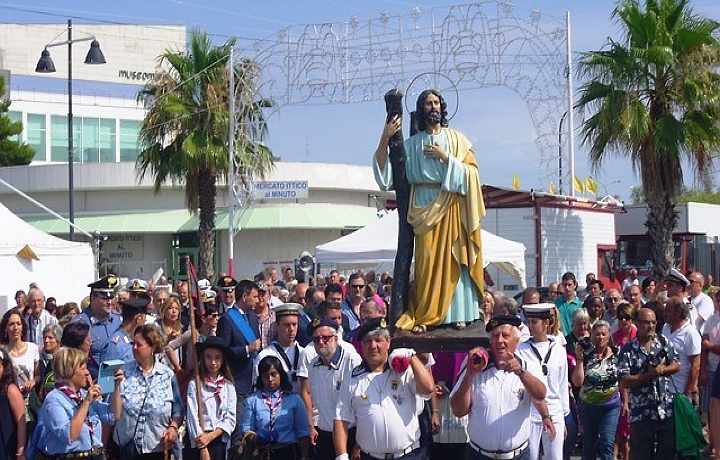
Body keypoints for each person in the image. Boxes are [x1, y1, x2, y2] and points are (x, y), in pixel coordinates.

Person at [374, 89, 485, 332]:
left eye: (436, 102)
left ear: (442, 107)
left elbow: (474, 174)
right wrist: (385, 137)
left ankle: (459, 313)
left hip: (453, 205)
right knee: (426, 262)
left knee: (457, 257)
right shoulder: (411, 145)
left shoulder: (458, 140)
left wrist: (447, 158)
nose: (433, 107)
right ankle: (427, 313)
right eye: (428, 103)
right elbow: (386, 178)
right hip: (423, 205)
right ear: (421, 110)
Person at [334, 318, 434, 460]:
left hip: (408, 455)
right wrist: (341, 456)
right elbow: (340, 419)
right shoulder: (352, 378)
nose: (373, 346)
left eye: (378, 340)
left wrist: (411, 357)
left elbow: (428, 388)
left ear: (388, 342)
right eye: (368, 341)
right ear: (361, 346)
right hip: (371, 456)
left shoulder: (404, 371)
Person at [450, 315, 546, 459]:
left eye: (505, 335)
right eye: (495, 336)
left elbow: (541, 394)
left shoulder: (528, 362)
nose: (499, 340)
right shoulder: (475, 363)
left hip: (518, 455)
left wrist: (520, 372)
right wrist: (470, 374)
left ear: (516, 340)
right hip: (480, 455)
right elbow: (458, 410)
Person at [33, 347, 123, 460]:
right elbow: (69, 435)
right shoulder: (54, 400)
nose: (87, 372)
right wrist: (86, 403)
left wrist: (116, 387)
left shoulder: (84, 394)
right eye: (83, 368)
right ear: (69, 371)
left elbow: (114, 415)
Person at [617, 308, 680, 460]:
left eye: (653, 322)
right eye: (646, 322)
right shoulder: (628, 350)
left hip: (665, 410)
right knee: (641, 454)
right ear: (638, 324)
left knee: (666, 453)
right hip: (642, 413)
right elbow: (624, 380)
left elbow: (677, 364)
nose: (651, 326)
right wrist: (647, 375)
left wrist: (662, 369)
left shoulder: (663, 342)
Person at [113, 324, 183, 459]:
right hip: (127, 449)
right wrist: (116, 386)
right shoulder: (123, 372)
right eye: (133, 343)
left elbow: (177, 409)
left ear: (152, 348)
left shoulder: (167, 375)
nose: (134, 348)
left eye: (139, 345)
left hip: (157, 448)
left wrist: (173, 428)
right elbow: (115, 414)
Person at [298, 318, 362, 460]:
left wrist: (359, 443)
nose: (320, 342)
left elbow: (362, 403)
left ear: (336, 338)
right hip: (324, 434)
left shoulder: (352, 361)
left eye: (325, 338)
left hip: (351, 434)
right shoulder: (313, 365)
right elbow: (307, 393)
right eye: (316, 339)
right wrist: (310, 425)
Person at [516, 304, 568, 460]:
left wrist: (563, 418)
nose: (530, 326)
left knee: (555, 457)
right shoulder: (521, 349)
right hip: (530, 413)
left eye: (535, 322)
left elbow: (562, 385)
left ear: (546, 323)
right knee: (530, 456)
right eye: (529, 322)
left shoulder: (559, 349)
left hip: (554, 411)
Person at [216, 279, 261, 455]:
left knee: (253, 432)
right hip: (237, 382)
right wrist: (245, 349)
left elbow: (258, 345)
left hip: (254, 381)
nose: (257, 300)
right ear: (244, 296)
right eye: (254, 296)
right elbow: (224, 352)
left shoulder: (252, 317)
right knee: (239, 433)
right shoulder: (227, 319)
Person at [240, 356, 310, 460]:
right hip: (261, 452)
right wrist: (255, 437)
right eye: (265, 376)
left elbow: (303, 432)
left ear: (280, 375)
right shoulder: (252, 400)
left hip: (288, 452)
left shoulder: (294, 400)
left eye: (273, 374)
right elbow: (246, 429)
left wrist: (304, 456)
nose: (270, 379)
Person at [571, 320, 620, 460]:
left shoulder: (617, 353)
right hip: (588, 406)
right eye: (597, 334)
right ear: (591, 336)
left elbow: (623, 379)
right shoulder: (586, 354)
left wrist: (626, 402)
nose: (600, 337)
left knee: (606, 443)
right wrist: (579, 359)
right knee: (589, 445)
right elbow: (577, 382)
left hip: (610, 406)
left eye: (604, 334)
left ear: (609, 335)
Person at [185, 336, 237, 460]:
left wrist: (211, 436)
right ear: (203, 358)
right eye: (208, 357)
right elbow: (192, 416)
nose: (213, 362)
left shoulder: (228, 386)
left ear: (223, 360)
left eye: (217, 358)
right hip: (198, 439)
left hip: (217, 440)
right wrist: (202, 446)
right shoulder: (195, 384)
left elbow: (230, 418)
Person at [73, 275, 123, 379]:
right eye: (104, 298)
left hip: (119, 382)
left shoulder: (118, 320)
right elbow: (72, 359)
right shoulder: (79, 324)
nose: (109, 302)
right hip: (92, 385)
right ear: (93, 298)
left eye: (111, 297)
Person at [253, 304, 305, 393]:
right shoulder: (265, 355)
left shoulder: (304, 353)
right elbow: (258, 387)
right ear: (277, 326)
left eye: (294, 324)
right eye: (286, 325)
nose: (291, 329)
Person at [661, 297, 701, 402]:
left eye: (668, 310)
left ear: (678, 312)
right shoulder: (665, 328)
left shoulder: (690, 334)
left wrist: (686, 394)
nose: (664, 313)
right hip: (664, 390)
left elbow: (695, 367)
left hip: (680, 393)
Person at [611, 303, 636, 460]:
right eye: (620, 318)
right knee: (620, 428)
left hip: (636, 383)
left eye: (627, 317)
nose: (624, 321)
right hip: (620, 385)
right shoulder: (615, 336)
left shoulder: (638, 334)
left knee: (631, 431)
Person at [0, 308, 39, 403]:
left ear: (22, 327)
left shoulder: (33, 348)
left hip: (31, 401)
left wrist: (33, 381)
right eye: (11, 324)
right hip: (10, 402)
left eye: (18, 324)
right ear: (6, 328)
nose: (15, 327)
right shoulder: (2, 352)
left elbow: (38, 375)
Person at [701, 289, 720, 453]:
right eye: (718, 299)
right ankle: (713, 443)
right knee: (711, 409)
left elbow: (709, 345)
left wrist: (711, 346)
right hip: (713, 369)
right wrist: (704, 369)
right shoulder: (711, 320)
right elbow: (704, 345)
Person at [0, 348, 26, 460]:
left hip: (6, 444)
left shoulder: (10, 390)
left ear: (4, 367)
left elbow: (21, 421)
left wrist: (20, 450)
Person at [108, 296, 150, 364]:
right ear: (138, 318)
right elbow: (107, 372)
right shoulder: (116, 344)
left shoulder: (140, 339)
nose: (145, 321)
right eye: (144, 318)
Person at [36, 324, 63, 402]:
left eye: (50, 338)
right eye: (44, 338)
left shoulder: (64, 359)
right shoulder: (47, 360)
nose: (46, 341)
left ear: (58, 340)